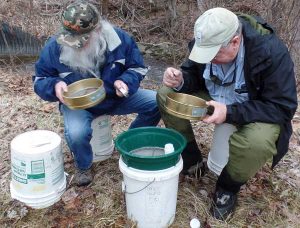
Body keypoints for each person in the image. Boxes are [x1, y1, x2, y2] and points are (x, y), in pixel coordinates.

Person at [157, 7, 297, 220]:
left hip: (251, 107)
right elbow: (194, 73)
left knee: (256, 142)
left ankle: (227, 188)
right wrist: (181, 80)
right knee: (166, 94)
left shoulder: (270, 53)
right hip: (215, 97)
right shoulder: (206, 42)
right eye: (205, 53)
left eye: (214, 54)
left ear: (235, 41)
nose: (208, 59)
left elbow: (282, 107)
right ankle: (192, 160)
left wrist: (230, 112)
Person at [33, 1, 161, 186]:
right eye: (72, 41)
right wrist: (54, 86)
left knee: (156, 101)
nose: (76, 46)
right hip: (78, 103)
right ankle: (84, 165)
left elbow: (138, 68)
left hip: (114, 97)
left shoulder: (120, 40)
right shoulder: (55, 46)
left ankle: (129, 141)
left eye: (82, 42)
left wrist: (125, 81)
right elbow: (39, 79)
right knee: (77, 133)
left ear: (98, 30)